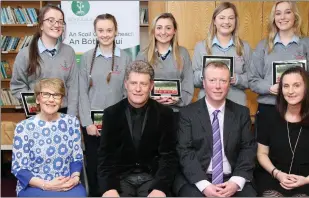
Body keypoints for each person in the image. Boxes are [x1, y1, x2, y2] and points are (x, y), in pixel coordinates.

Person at [174, 61, 257, 197]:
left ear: (229, 84)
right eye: (212, 80)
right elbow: (184, 151)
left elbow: (248, 148)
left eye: (223, 81)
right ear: (204, 83)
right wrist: (204, 185)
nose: (217, 86)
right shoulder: (188, 113)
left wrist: (235, 182)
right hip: (198, 178)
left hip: (232, 177)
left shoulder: (241, 113)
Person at [97, 60, 178, 197]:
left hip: (153, 179)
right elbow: (105, 157)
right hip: (120, 179)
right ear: (126, 84)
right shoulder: (111, 114)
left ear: (151, 86)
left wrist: (160, 188)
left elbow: (169, 157)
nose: (138, 89)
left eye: (143, 84)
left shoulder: (166, 114)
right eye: (134, 83)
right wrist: (109, 188)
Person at [255, 66, 309, 197]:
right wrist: (278, 174)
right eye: (286, 86)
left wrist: (307, 179)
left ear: (307, 88)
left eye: (296, 85)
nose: (290, 91)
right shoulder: (268, 116)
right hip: (274, 175)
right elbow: (262, 153)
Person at [248, 1, 309, 131]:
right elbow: (252, 80)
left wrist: (299, 91)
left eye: (287, 12)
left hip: (301, 110)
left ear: (295, 16)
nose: (282, 17)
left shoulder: (308, 45)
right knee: (265, 151)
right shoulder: (263, 46)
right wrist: (269, 88)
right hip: (269, 109)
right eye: (278, 13)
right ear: (274, 18)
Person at [78, 13, 131, 197]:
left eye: (109, 30)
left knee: (116, 166)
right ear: (95, 32)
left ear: (116, 31)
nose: (105, 34)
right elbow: (81, 93)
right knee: (94, 166)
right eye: (101, 30)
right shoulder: (85, 58)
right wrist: (87, 122)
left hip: (118, 123)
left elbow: (128, 93)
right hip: (93, 125)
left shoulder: (125, 58)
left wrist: (124, 121)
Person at [11, 78, 86, 197]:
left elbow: (76, 157)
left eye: (56, 95)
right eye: (46, 94)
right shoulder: (23, 127)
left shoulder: (72, 122)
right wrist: (47, 185)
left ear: (61, 100)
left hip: (66, 183)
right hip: (34, 185)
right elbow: (19, 168)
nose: (51, 99)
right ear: (37, 99)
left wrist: (75, 178)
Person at [10, 5, 78, 115]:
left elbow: (74, 87)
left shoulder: (69, 52)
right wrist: (35, 107)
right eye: (51, 20)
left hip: (63, 114)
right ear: (41, 25)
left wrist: (71, 116)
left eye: (60, 21)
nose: (56, 25)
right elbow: (17, 86)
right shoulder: (24, 54)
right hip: (37, 115)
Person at [193, 2, 252, 106]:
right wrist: (206, 75)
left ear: (235, 21)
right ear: (214, 21)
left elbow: (252, 79)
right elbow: (193, 79)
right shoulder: (201, 47)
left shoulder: (244, 47)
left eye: (231, 18)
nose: (226, 21)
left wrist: (237, 79)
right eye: (222, 18)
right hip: (207, 106)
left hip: (237, 105)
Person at [136, 13, 193, 111]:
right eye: (159, 28)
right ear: (153, 31)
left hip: (177, 113)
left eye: (168, 28)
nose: (163, 32)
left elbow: (188, 84)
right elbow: (137, 85)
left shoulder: (183, 53)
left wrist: (178, 99)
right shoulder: (143, 55)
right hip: (150, 112)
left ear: (174, 31)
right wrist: (150, 97)